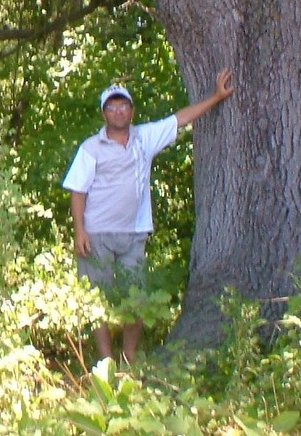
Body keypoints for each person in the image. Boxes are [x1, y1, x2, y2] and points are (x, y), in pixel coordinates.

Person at [62, 70, 235, 361]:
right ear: (104, 113)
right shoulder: (91, 148)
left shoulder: (145, 138)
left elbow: (180, 118)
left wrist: (216, 97)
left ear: (131, 110)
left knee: (137, 298)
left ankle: (129, 359)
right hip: (96, 234)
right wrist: (79, 231)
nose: (118, 111)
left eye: (123, 105)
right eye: (112, 106)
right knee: (96, 300)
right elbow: (77, 190)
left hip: (133, 234)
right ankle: (105, 363)